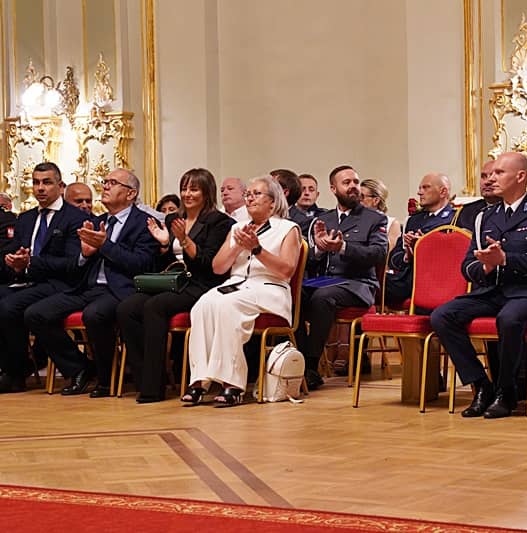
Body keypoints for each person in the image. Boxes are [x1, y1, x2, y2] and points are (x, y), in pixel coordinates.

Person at [431, 151, 527, 419]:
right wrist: (485, 267)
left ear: (520, 176)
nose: (491, 178)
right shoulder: (485, 217)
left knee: (509, 318)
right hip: (492, 290)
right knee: (442, 316)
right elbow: (467, 265)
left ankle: (507, 391)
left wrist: (505, 259)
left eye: (499, 172)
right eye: (490, 173)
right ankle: (481, 385)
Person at [25, 168, 160, 397]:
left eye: (113, 183)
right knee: (35, 314)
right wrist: (85, 255)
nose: (105, 186)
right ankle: (80, 368)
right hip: (86, 287)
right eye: (105, 182)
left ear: (130, 193)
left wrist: (105, 245)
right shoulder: (96, 221)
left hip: (119, 290)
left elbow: (142, 264)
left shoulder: (144, 223)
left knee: (94, 315)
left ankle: (106, 381)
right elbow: (79, 262)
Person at [117, 169, 235, 403]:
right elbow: (165, 262)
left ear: (207, 192)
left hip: (201, 283)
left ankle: (153, 388)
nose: (187, 194)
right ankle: (144, 378)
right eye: (184, 189)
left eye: (194, 189)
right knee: (127, 308)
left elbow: (208, 264)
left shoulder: (220, 222)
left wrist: (184, 240)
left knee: (155, 306)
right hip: (173, 280)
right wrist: (163, 245)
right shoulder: (173, 219)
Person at [183, 175, 301, 406]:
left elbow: (286, 270)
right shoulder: (237, 228)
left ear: (273, 201)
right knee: (202, 305)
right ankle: (200, 380)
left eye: (257, 194)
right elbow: (218, 268)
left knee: (227, 306)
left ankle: (233, 384)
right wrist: (237, 246)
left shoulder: (288, 229)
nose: (250, 199)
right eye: (248, 194)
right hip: (236, 285)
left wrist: (257, 249)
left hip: (270, 287)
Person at [0, 162, 89, 393]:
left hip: (63, 284)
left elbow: (72, 263)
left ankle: (19, 372)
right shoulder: (26, 218)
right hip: (30, 281)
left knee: (11, 307)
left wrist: (31, 262)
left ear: (60, 186)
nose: (40, 188)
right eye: (36, 183)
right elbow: (19, 252)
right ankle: (12, 369)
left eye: (47, 182)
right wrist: (15, 262)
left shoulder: (74, 218)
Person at [297, 165, 388, 390]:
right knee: (291, 295)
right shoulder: (323, 219)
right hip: (325, 281)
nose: (353, 186)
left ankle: (310, 366)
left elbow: (378, 254)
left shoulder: (374, 218)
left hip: (358, 284)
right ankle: (297, 359)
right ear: (333, 189)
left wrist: (343, 247)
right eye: (346, 183)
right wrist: (318, 249)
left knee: (322, 297)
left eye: (355, 182)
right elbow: (309, 261)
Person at [384, 173, 455, 306]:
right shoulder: (414, 220)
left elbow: (452, 260)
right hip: (406, 279)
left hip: (435, 281)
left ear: (443, 192)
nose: (419, 192)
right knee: (369, 281)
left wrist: (423, 247)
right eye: (420, 188)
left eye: (426, 187)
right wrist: (408, 255)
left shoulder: (454, 220)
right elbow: (393, 258)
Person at [456, 160, 500, 233]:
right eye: (483, 176)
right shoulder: (466, 212)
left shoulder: (512, 210)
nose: (486, 182)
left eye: (493, 176)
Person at [360, 178, 401, 249]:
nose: (358, 200)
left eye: (362, 196)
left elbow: (389, 252)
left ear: (376, 200)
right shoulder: (352, 219)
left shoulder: (392, 223)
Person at [289, 173, 327, 237]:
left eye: (311, 190)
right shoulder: (286, 215)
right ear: (295, 193)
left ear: (317, 195)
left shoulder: (326, 215)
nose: (307, 193)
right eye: (302, 189)